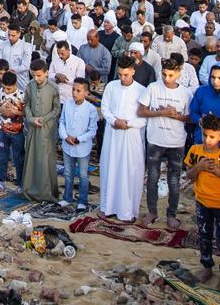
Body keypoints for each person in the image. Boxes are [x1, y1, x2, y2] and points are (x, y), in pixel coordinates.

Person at [138, 57, 193, 228]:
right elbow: (141, 111)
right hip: (155, 139)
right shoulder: (153, 88)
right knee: (152, 178)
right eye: (164, 74)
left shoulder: (185, 93)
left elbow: (190, 117)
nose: (167, 78)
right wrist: (160, 113)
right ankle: (152, 212)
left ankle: (171, 214)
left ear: (178, 73)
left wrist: (175, 115)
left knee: (174, 180)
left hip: (176, 142)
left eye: (170, 75)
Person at [185, 114, 220, 286]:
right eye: (205, 135)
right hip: (202, 202)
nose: (208, 140)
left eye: (212, 137)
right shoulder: (195, 151)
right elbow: (189, 175)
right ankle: (207, 267)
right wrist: (199, 167)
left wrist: (219, 173)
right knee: (204, 237)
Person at [101, 56, 147, 221]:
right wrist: (114, 121)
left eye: (126, 74)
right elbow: (104, 107)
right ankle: (108, 207)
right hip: (113, 135)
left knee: (129, 172)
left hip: (131, 137)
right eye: (120, 74)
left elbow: (144, 118)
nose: (122, 78)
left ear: (133, 71)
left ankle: (126, 212)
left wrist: (127, 124)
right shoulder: (111, 86)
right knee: (110, 168)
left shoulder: (142, 90)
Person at [22, 58, 60, 201]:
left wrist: (43, 119)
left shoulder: (53, 87)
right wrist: (32, 119)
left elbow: (56, 109)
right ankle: (29, 189)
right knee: (31, 156)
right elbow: (26, 105)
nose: (36, 78)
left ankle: (46, 193)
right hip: (32, 127)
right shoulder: (30, 86)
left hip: (47, 128)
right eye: (34, 75)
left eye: (39, 75)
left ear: (46, 73)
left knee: (45, 159)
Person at [58, 77, 97, 212]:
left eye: (78, 90)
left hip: (82, 148)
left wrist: (79, 139)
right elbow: (62, 121)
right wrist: (65, 136)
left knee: (83, 175)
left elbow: (92, 131)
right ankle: (67, 197)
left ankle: (82, 200)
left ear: (86, 93)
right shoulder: (68, 104)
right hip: (67, 145)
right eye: (73, 89)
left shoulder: (91, 109)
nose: (74, 93)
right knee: (68, 173)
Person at [0, 70, 26, 185]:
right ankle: (2, 181)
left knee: (18, 159)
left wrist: (15, 112)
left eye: (9, 89)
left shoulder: (22, 95)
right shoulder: (0, 92)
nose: (6, 91)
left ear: (15, 84)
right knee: (2, 157)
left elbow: (26, 113)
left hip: (17, 132)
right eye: (4, 88)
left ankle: (20, 183)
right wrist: (2, 110)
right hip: (2, 130)